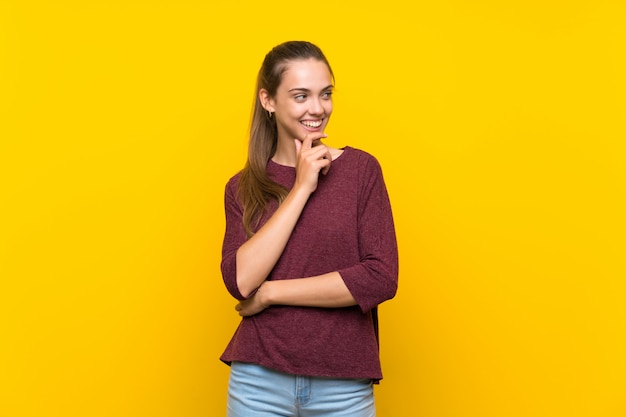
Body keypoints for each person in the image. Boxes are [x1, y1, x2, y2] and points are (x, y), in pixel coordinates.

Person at [220, 40, 398, 417]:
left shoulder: (361, 171)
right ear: (268, 101)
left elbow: (379, 277)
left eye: (326, 94)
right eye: (301, 96)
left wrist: (271, 294)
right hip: (258, 381)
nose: (317, 109)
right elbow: (241, 281)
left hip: (343, 386)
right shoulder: (242, 187)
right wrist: (301, 187)